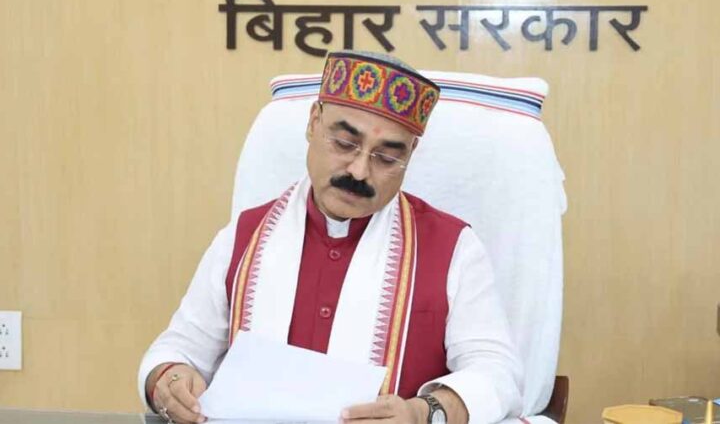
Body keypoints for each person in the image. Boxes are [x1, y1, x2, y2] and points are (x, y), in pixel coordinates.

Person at [138, 51, 523, 424]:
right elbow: (178, 349)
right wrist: (171, 383)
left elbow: (498, 374)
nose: (359, 172)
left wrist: (424, 413)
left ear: (411, 153)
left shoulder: (453, 248)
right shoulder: (244, 236)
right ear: (313, 122)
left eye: (387, 157)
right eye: (344, 143)